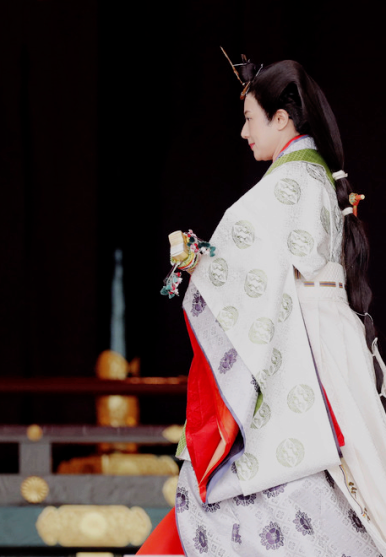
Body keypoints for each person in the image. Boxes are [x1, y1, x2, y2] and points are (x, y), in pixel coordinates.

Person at [140, 57, 386, 556]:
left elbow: (246, 266)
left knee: (268, 474)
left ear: (281, 118)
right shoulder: (312, 175)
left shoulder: (288, 183)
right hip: (326, 345)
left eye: (251, 119)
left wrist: (197, 261)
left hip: (304, 353)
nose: (243, 132)